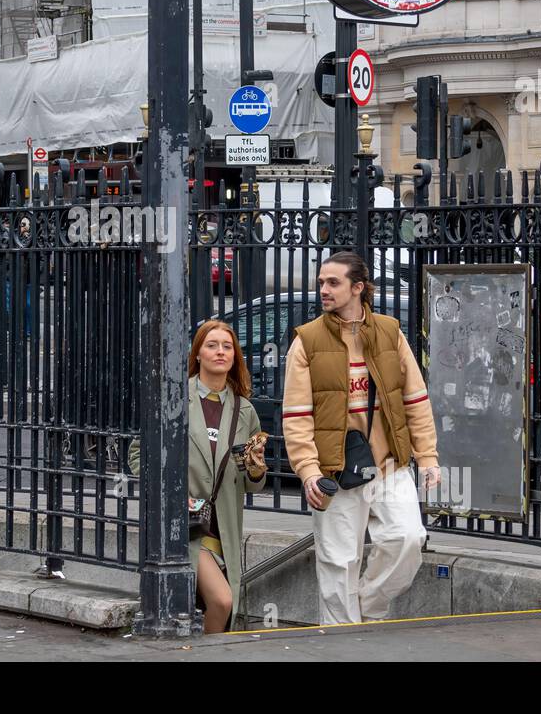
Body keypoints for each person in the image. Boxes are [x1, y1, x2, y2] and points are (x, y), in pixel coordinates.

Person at [282, 251, 441, 625]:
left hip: (388, 464)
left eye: (333, 282)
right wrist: (307, 471)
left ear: (358, 287)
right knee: (338, 562)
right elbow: (297, 415)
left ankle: (368, 604)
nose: (324, 289)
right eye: (321, 282)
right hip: (333, 470)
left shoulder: (389, 332)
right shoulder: (306, 341)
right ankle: (342, 639)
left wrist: (428, 455)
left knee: (407, 539)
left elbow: (415, 398)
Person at [130, 319, 268, 633]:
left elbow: (251, 481)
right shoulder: (176, 399)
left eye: (227, 346)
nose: (220, 352)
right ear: (197, 355)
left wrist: (256, 467)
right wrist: (168, 494)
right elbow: (139, 453)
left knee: (216, 605)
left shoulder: (244, 410)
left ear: (235, 356)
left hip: (224, 529)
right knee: (221, 601)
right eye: (212, 345)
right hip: (187, 527)